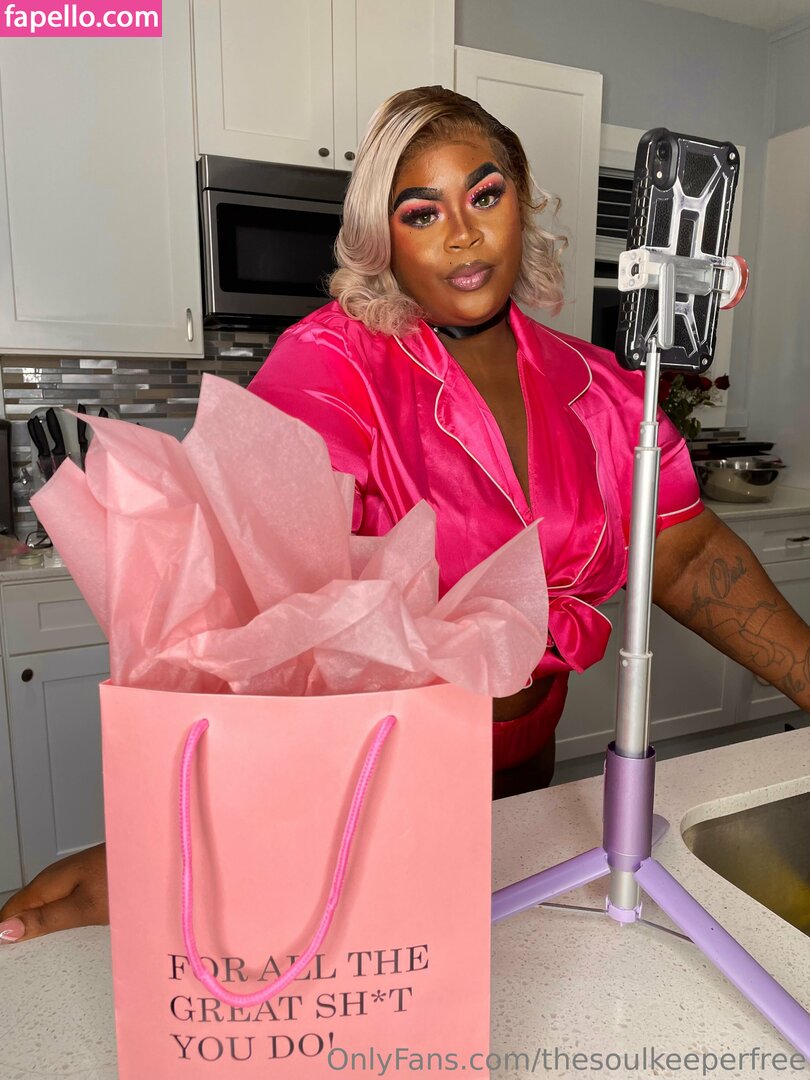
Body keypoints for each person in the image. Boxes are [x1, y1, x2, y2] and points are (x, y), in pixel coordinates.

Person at [1, 86, 808, 945]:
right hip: (366, 786)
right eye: (421, 213)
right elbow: (255, 623)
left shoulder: (600, 387)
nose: (462, 234)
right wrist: (191, 832)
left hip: (528, 774)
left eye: (484, 196)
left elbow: (682, 553)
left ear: (523, 201)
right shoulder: (328, 369)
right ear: (382, 238)